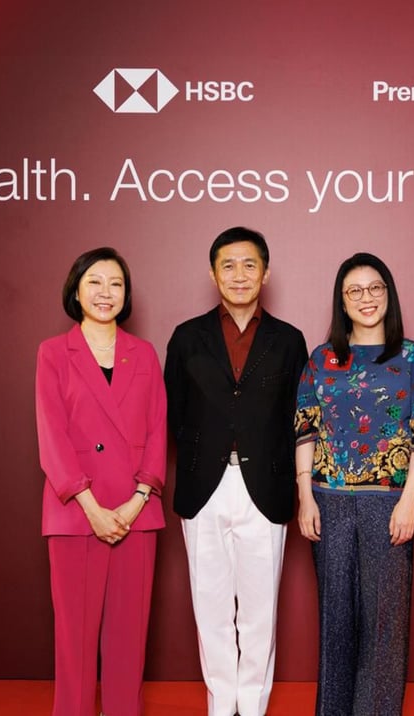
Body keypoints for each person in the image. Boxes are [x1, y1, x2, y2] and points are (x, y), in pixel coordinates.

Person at [165, 226, 307, 716]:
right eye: (228, 265)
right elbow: (175, 414)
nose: (239, 274)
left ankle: (254, 706)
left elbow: (297, 417)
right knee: (211, 610)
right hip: (204, 485)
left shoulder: (289, 341)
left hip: (265, 487)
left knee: (259, 612)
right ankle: (220, 705)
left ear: (265, 273)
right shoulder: (187, 337)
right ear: (213, 272)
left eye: (250, 265)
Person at [294, 253, 414, 716]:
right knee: (336, 621)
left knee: (384, 624)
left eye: (375, 288)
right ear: (342, 300)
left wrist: (409, 502)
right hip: (328, 500)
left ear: (389, 294)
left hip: (389, 502)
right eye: (354, 291)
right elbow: (305, 429)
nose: (366, 298)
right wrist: (304, 497)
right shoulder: (322, 359)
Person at [35, 247, 167, 716]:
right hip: (75, 513)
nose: (105, 292)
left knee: (129, 644)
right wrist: (91, 507)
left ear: (126, 294)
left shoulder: (145, 354)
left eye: (115, 283)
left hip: (137, 512)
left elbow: (157, 431)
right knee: (74, 644)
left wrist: (135, 502)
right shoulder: (53, 353)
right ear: (76, 289)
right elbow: (51, 437)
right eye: (95, 281)